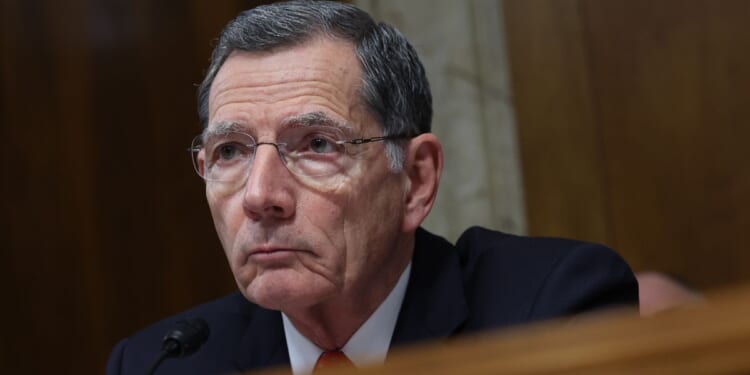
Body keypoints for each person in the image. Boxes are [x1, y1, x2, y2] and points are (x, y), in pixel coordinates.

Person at [106, 1, 638, 374]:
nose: (258, 195)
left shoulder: (548, 312)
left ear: (416, 180)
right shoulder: (162, 363)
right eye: (230, 152)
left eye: (316, 145)